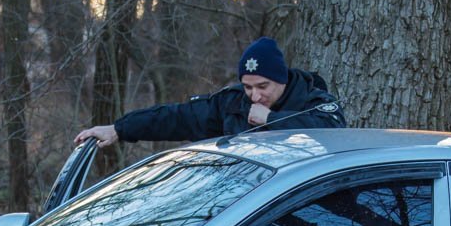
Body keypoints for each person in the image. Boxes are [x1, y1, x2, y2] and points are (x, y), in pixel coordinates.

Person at [74, 37, 346, 147]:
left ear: (282, 79)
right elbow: (180, 118)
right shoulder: (233, 103)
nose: (254, 96)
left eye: (263, 87)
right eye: (248, 87)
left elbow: (332, 131)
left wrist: (270, 119)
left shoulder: (313, 102)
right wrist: (119, 129)